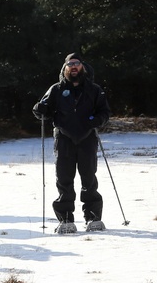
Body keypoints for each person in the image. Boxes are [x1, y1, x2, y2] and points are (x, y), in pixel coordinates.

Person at [33, 52, 111, 233]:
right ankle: (66, 219)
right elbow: (41, 109)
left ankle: (93, 218)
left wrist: (96, 121)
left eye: (77, 63)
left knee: (89, 178)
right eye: (70, 64)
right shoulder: (56, 89)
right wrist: (40, 109)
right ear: (65, 68)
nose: (73, 67)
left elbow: (104, 113)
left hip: (87, 138)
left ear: (82, 66)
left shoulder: (94, 89)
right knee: (64, 179)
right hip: (64, 139)